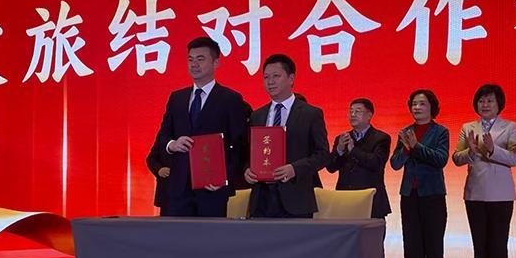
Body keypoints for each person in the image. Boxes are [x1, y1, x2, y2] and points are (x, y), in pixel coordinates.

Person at [150, 37, 246, 217]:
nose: (194, 64)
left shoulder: (230, 99)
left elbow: (240, 144)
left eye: (200, 59)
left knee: (208, 235)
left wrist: (225, 177)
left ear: (216, 63)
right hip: (177, 188)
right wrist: (172, 144)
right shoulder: (177, 98)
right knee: (173, 235)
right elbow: (163, 135)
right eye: (190, 59)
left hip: (212, 188)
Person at [452, 84, 516, 258]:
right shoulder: (467, 127)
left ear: (499, 104)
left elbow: (515, 158)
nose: (485, 104)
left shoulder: (510, 127)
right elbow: (456, 158)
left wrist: (493, 150)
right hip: (475, 195)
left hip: (501, 196)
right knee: (480, 248)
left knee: (498, 248)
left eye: (490, 100)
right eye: (481, 101)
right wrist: (471, 152)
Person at [244, 54, 330, 218]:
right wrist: (247, 169)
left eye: (276, 76)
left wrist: (294, 169)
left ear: (291, 79)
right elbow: (249, 152)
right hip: (262, 200)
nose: (270, 82)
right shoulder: (257, 115)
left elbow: (323, 155)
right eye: (266, 77)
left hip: (296, 199)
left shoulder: (310, 114)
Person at [390, 89, 449, 258]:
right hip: (409, 196)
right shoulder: (405, 132)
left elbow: (440, 159)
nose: (417, 107)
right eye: (414, 104)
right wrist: (406, 149)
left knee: (433, 248)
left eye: (422, 104)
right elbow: (395, 163)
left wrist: (417, 147)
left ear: (432, 107)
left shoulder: (441, 131)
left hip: (433, 195)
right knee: (412, 248)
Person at [326, 98, 392, 218]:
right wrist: (339, 149)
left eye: (358, 111)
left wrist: (353, 150)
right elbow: (331, 167)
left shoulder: (381, 138)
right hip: (345, 200)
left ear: (369, 115)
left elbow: (376, 163)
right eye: (351, 111)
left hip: (371, 201)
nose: (353, 115)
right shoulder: (342, 138)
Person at [145, 143, 173, 210]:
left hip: (192, 193)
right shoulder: (164, 139)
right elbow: (151, 159)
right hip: (167, 192)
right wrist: (159, 169)